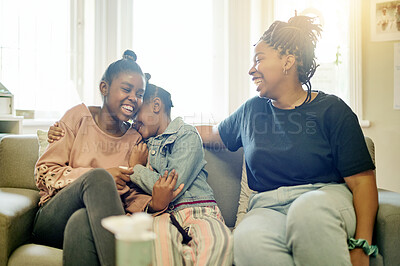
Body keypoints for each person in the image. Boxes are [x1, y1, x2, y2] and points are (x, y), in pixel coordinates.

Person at [196, 16, 378, 266]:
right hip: (267, 207)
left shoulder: (333, 110)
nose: (251, 69)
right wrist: (160, 127)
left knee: (307, 213)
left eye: (259, 59)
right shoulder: (251, 111)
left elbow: (362, 183)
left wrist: (362, 246)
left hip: (324, 199)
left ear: (287, 62)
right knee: (246, 240)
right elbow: (211, 133)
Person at [47, 76, 233, 265]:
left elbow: (171, 186)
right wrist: (59, 128)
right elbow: (106, 120)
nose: (133, 120)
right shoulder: (138, 141)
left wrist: (135, 168)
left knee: (220, 243)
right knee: (159, 251)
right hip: (161, 216)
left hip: (196, 209)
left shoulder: (185, 134)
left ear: (156, 106)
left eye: (137, 113)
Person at [34, 50, 182, 266]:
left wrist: (152, 204)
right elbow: (45, 172)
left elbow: (131, 198)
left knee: (81, 222)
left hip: (94, 224)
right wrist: (99, 178)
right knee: (100, 179)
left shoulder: (135, 139)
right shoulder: (77, 117)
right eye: (126, 89)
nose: (134, 98)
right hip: (53, 218)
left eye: (140, 94)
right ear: (104, 88)